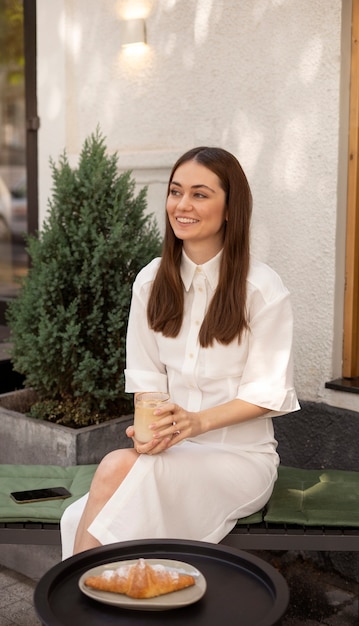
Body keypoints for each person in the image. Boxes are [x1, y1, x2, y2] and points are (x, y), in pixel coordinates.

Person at [60, 146, 300, 559]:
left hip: (240, 460)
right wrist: (151, 432)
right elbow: (147, 382)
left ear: (230, 208)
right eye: (175, 191)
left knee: (113, 476)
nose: (182, 205)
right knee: (97, 498)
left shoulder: (261, 289)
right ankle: (101, 601)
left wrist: (194, 423)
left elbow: (266, 393)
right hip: (172, 452)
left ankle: (76, 600)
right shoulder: (151, 281)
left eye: (200, 194)